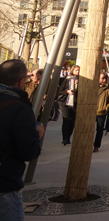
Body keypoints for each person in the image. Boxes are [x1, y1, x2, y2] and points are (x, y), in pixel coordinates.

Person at [0, 60, 44, 221]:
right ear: (20, 82)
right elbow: (28, 151)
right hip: (5, 182)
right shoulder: (18, 107)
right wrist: (36, 135)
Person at [93, 72, 109, 153]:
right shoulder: (93, 87)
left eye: (105, 78)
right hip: (92, 111)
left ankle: (96, 146)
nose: (104, 80)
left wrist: (107, 107)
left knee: (99, 130)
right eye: (102, 78)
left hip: (101, 112)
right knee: (89, 130)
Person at [58, 64, 80, 145]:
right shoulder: (67, 79)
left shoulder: (81, 80)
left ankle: (68, 137)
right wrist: (67, 91)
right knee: (66, 120)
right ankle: (65, 138)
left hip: (75, 102)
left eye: (78, 70)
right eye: (76, 70)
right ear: (72, 71)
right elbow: (60, 90)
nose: (77, 72)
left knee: (72, 121)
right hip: (66, 102)